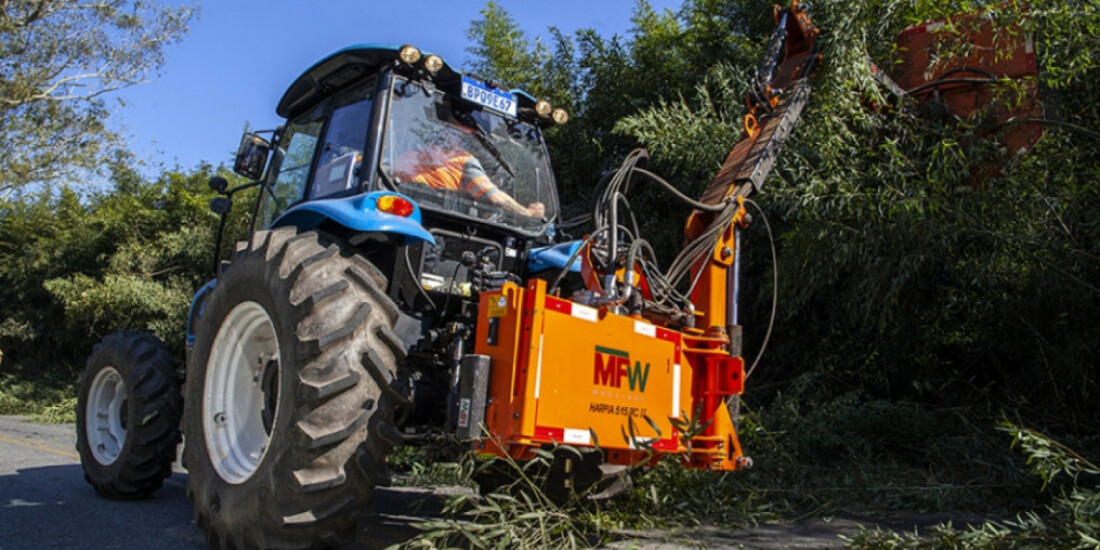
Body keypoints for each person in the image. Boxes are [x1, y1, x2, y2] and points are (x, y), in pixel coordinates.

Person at [394, 133, 544, 219]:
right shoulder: (462, 160)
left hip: (401, 215)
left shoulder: (408, 156)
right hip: (434, 221)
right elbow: (494, 197)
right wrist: (527, 212)